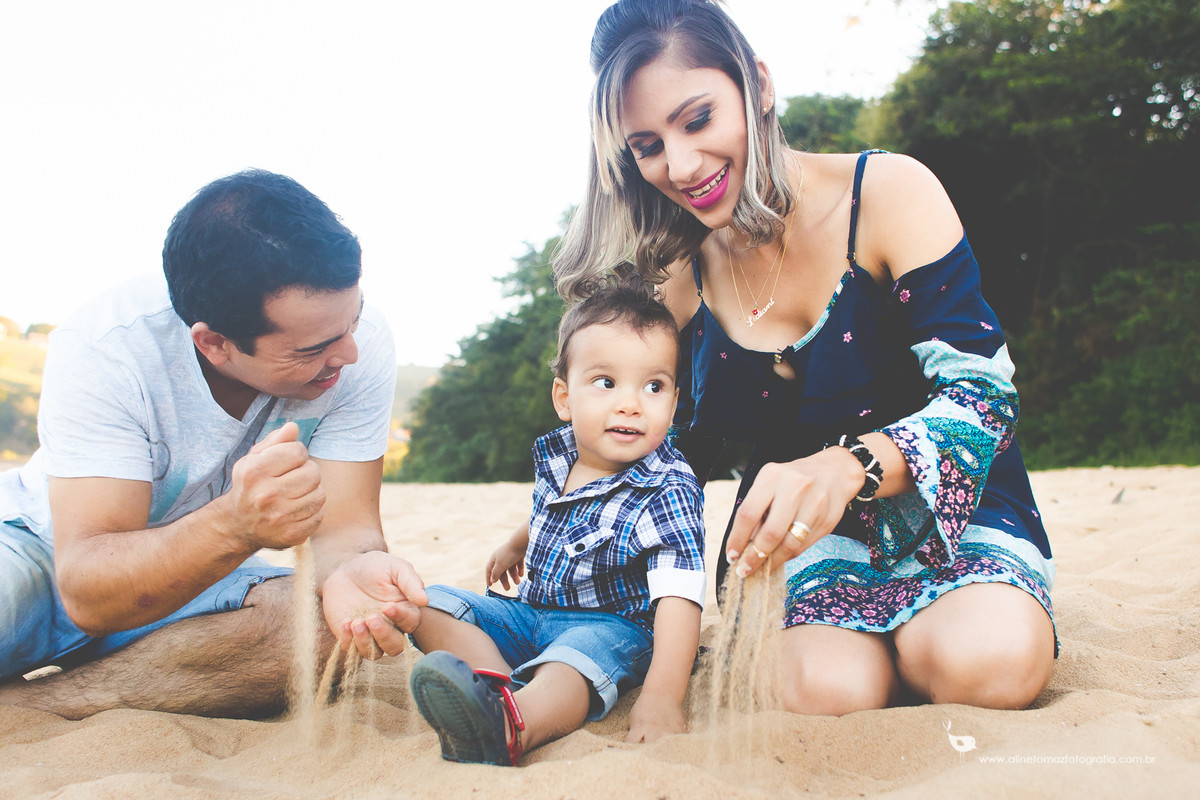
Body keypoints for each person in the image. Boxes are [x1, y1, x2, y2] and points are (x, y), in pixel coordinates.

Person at [553, 0, 1056, 715]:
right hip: (792, 538)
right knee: (821, 696)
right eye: (647, 145)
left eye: (697, 120)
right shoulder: (677, 275)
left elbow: (985, 399)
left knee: (984, 667)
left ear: (757, 84)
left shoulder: (886, 194)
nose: (683, 165)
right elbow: (654, 437)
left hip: (952, 505)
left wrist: (847, 466)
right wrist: (573, 496)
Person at [0, 169, 427, 719]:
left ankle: (37, 709)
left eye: (355, 319)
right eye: (314, 348)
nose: (349, 354)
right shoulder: (109, 348)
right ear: (215, 344)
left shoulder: (352, 342)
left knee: (324, 633)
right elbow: (86, 587)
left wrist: (355, 573)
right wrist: (234, 524)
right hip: (41, 550)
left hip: (198, 583)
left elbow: (346, 530)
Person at [408, 277, 705, 765]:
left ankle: (512, 724)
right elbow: (553, 510)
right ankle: (497, 689)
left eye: (654, 386)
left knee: (573, 663)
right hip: (531, 613)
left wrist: (661, 699)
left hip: (613, 628)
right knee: (428, 603)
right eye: (606, 382)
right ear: (565, 398)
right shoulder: (561, 455)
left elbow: (679, 599)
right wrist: (515, 543)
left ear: (673, 404)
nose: (630, 403)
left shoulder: (668, 488)